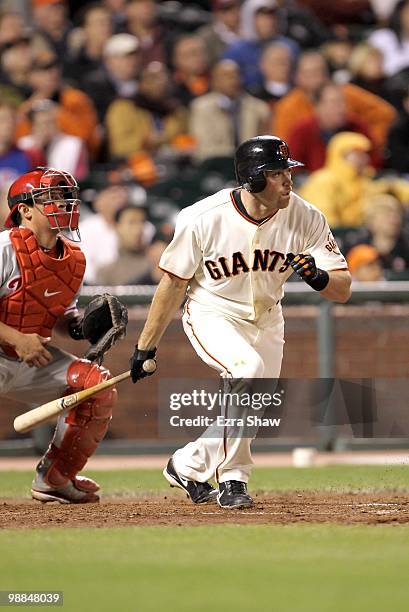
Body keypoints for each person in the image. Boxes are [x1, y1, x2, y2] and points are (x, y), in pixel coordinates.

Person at [129, 135, 351, 509]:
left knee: (255, 399)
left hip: (267, 317)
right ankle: (233, 479)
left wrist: (319, 278)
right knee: (246, 370)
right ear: (252, 179)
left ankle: (188, 464)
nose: (287, 181)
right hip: (211, 310)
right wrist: (145, 345)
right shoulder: (202, 217)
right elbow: (172, 284)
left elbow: (342, 289)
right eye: (277, 173)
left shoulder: (306, 216)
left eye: (288, 172)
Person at [0, 167, 125, 503]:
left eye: (67, 195)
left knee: (97, 385)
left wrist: (79, 326)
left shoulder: (74, 259)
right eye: (52, 197)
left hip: (32, 358)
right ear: (24, 210)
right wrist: (18, 338)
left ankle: (55, 479)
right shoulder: (3, 249)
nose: (65, 203)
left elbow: (58, 314)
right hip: (11, 350)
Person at [190, 59, 271, 161]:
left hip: (251, 166)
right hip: (216, 166)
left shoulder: (259, 108)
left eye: (236, 75)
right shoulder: (201, 107)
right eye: (226, 76)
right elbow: (203, 148)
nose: (233, 80)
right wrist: (239, 154)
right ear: (215, 81)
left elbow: (266, 146)